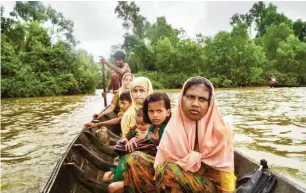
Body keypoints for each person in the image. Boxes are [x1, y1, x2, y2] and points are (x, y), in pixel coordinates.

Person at [154, 77, 235, 193]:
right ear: (181, 99)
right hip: (175, 177)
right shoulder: (173, 128)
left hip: (210, 185)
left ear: (210, 103)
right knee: (135, 159)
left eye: (202, 99)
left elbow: (227, 169)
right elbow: (160, 163)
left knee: (167, 170)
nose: (195, 104)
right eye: (190, 97)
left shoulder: (222, 131)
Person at [108, 93, 172, 193]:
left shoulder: (167, 129)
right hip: (152, 165)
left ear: (167, 112)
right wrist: (133, 139)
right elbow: (145, 140)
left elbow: (168, 156)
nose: (155, 115)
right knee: (110, 181)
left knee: (112, 187)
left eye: (159, 111)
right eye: (151, 111)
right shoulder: (153, 126)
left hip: (161, 171)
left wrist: (157, 142)